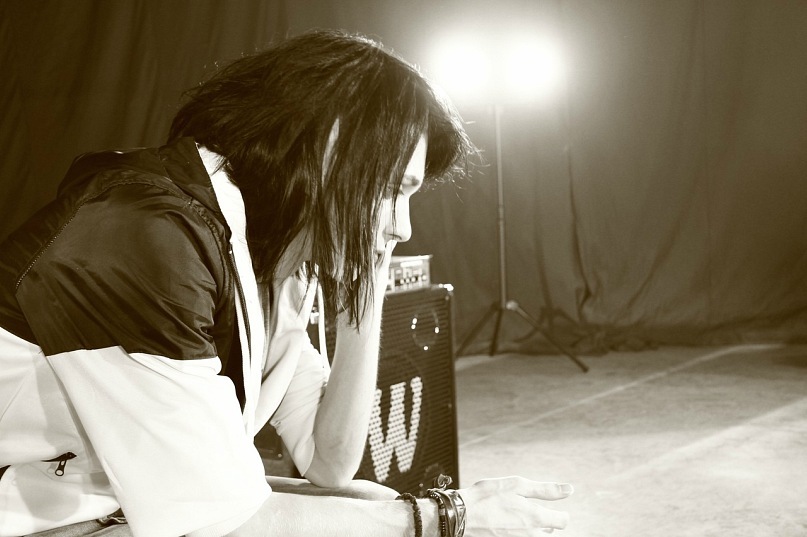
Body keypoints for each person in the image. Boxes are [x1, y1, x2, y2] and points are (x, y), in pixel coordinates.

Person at [0, 30, 573, 537]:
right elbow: (224, 525)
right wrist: (446, 517)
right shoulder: (147, 235)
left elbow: (330, 461)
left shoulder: (273, 265)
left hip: (107, 507)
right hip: (36, 519)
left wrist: (367, 287)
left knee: (370, 504)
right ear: (331, 149)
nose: (404, 227)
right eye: (394, 190)